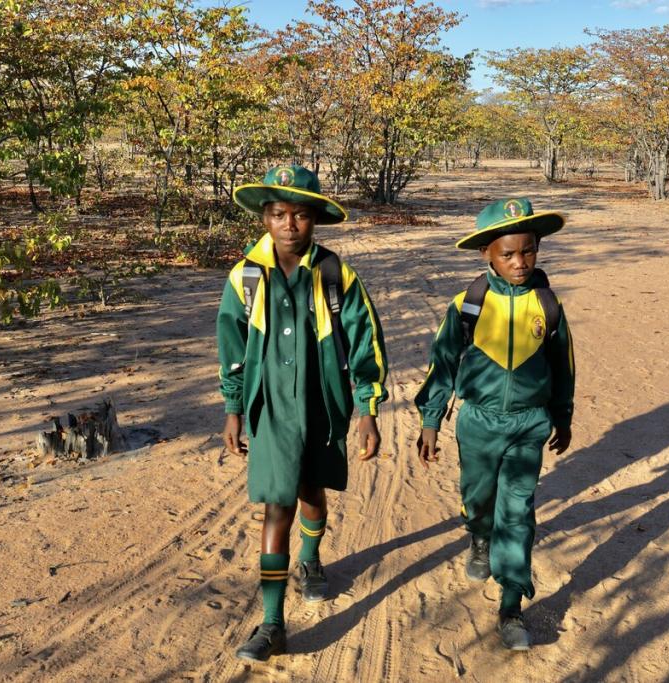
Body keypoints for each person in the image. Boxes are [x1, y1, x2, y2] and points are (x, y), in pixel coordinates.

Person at [217, 165, 388, 661]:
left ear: (315, 220)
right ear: (264, 219)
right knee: (277, 503)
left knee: (312, 490)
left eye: (300, 215)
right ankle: (272, 622)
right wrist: (233, 407)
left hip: (322, 403)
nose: (289, 224)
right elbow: (231, 346)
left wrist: (367, 409)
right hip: (270, 407)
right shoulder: (246, 276)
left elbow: (364, 343)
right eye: (277, 214)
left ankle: (311, 560)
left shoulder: (335, 275)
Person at [414, 198, 575, 651]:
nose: (519, 262)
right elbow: (442, 364)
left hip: (529, 424)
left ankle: (510, 606)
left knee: (518, 512)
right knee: (478, 498)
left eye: (528, 251)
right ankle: (479, 537)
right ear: (487, 254)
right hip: (478, 423)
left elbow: (563, 367)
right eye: (508, 254)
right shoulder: (468, 303)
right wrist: (431, 419)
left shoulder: (548, 303)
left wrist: (561, 416)